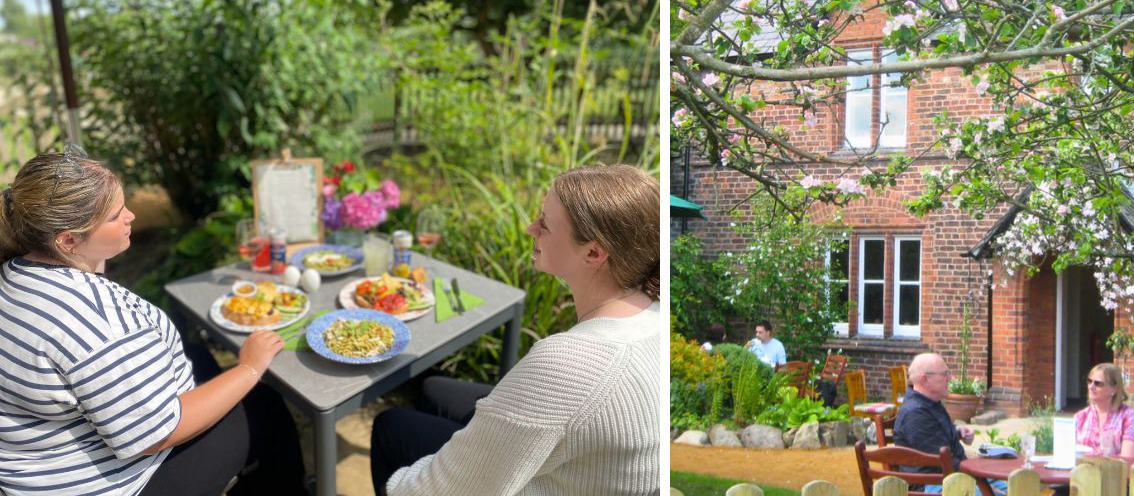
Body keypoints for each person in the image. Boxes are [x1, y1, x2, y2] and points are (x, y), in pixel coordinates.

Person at [0, 152, 303, 496]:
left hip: (37, 466)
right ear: (68, 240)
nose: (131, 216)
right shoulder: (98, 322)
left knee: (198, 356)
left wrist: (91, 257)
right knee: (264, 407)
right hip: (113, 483)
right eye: (116, 216)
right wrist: (249, 367)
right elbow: (156, 434)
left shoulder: (16, 272)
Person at [371, 164, 661, 495]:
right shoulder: (652, 312)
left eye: (545, 225)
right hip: (583, 457)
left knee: (389, 426)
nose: (530, 228)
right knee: (432, 390)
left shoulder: (571, 363)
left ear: (594, 252)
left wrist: (401, 483)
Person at [894, 353, 1007, 494]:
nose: (950, 378)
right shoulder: (915, 414)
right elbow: (946, 462)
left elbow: (935, 437)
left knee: (1015, 489)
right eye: (944, 374)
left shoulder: (930, 404)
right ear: (925, 379)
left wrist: (957, 431)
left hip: (952, 475)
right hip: (932, 484)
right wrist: (983, 486)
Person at [1074, 363, 1134, 458]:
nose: (1091, 386)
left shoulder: (1129, 417)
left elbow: (1128, 458)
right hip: (1083, 471)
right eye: (1089, 381)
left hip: (1115, 471)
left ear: (1113, 389)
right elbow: (1067, 453)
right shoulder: (1081, 417)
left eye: (1098, 383)